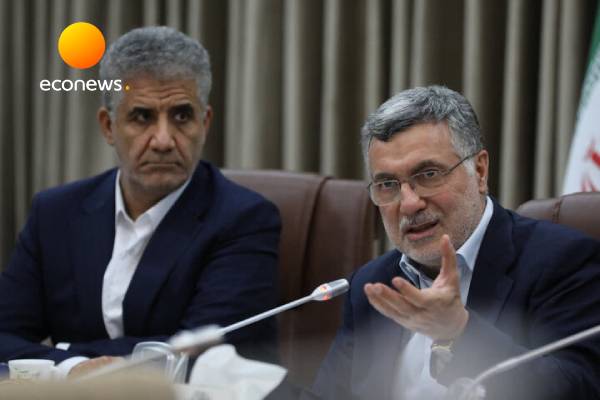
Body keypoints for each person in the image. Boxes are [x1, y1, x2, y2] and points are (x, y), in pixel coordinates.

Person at [0, 26, 280, 377]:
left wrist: (68, 354)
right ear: (108, 126)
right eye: (142, 117)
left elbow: (203, 354)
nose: (163, 140)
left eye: (182, 116)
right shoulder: (55, 212)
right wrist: (72, 366)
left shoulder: (244, 219)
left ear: (205, 123)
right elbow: (4, 334)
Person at [311, 86, 600, 399]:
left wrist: (459, 332)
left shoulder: (562, 261)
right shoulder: (372, 285)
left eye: (428, 174)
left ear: (480, 171)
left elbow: (580, 388)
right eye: (388, 184)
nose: (408, 204)